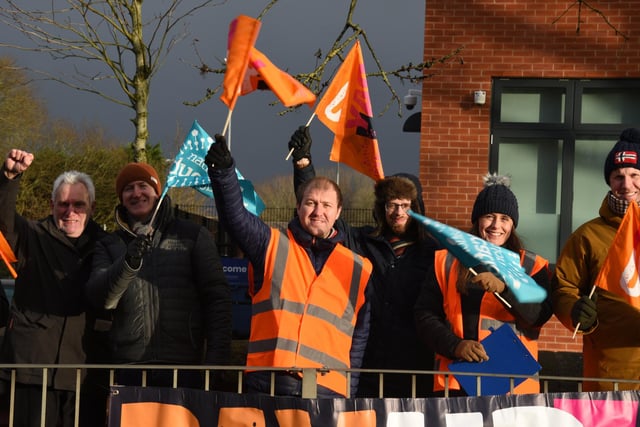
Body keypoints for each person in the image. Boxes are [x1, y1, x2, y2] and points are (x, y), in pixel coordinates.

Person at [206, 135, 372, 399]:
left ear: (339, 213)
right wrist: (224, 174)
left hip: (329, 392)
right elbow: (235, 217)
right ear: (298, 207)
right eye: (311, 203)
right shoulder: (271, 243)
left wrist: (348, 393)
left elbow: (358, 341)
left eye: (327, 205)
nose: (319, 211)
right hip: (269, 384)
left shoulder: (359, 268)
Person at [287, 125, 438, 397]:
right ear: (382, 208)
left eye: (405, 205)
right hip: (366, 367)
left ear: (417, 208)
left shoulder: (434, 253)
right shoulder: (362, 242)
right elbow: (320, 216)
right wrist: (303, 165)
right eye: (391, 204)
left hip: (417, 371)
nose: (398, 212)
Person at [85, 162, 232, 389]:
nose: (136, 193)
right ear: (121, 198)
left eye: (143, 185)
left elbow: (217, 299)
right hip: (129, 369)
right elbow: (102, 299)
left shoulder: (193, 236)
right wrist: (127, 263)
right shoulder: (108, 245)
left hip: (184, 368)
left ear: (157, 192)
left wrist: (217, 360)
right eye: (128, 188)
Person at [414, 173, 553, 396]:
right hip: (457, 383)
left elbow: (538, 316)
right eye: (489, 216)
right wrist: (455, 346)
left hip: (513, 386)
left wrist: (505, 290)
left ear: (513, 224)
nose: (496, 225)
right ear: (477, 219)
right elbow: (424, 315)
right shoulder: (446, 261)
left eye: (505, 219)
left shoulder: (532, 265)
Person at [0, 149, 109, 427]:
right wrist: (9, 178)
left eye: (79, 205)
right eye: (63, 204)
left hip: (85, 373)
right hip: (31, 372)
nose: (70, 212)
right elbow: (4, 220)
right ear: (51, 205)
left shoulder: (108, 245)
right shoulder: (31, 235)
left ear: (92, 207)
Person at [552, 128, 640, 391]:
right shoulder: (587, 236)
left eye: (635, 175)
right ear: (609, 182)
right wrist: (575, 312)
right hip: (610, 376)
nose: (626, 184)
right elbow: (563, 287)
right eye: (618, 176)